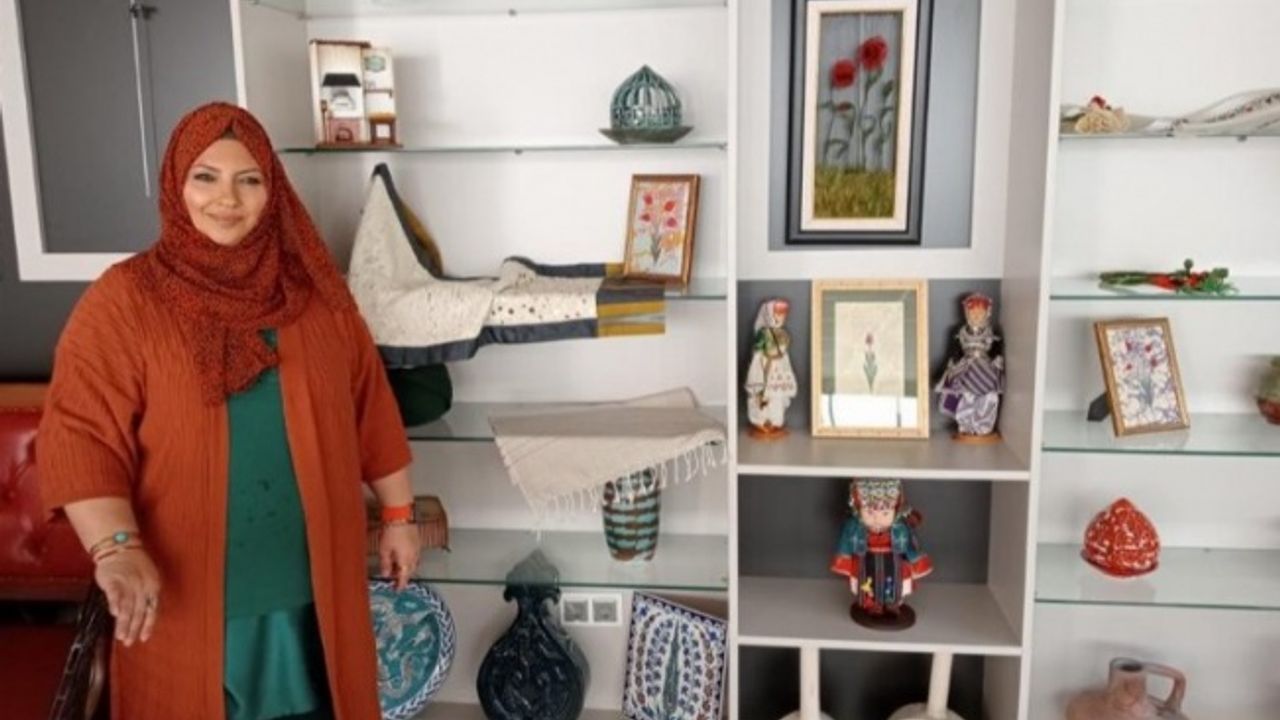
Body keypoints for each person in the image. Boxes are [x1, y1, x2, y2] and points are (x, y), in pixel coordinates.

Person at [37, 102, 419, 720]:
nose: (227, 199)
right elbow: (81, 437)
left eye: (249, 179)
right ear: (175, 184)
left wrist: (399, 515)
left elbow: (369, 407)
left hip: (312, 583)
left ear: (274, 190)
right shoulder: (125, 301)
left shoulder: (317, 295)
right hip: (183, 589)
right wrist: (117, 548)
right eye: (205, 176)